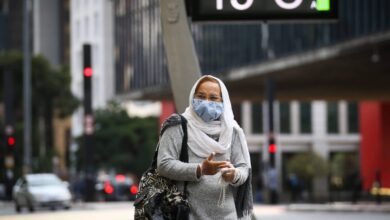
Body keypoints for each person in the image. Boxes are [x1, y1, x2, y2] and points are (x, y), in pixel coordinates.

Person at [157, 75, 253, 219]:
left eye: (213, 98)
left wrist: (235, 174)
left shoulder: (232, 130)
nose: (206, 102)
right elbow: (163, 164)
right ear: (192, 97)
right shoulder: (177, 125)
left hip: (227, 214)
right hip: (187, 213)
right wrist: (200, 169)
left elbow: (243, 167)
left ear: (223, 101)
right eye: (201, 96)